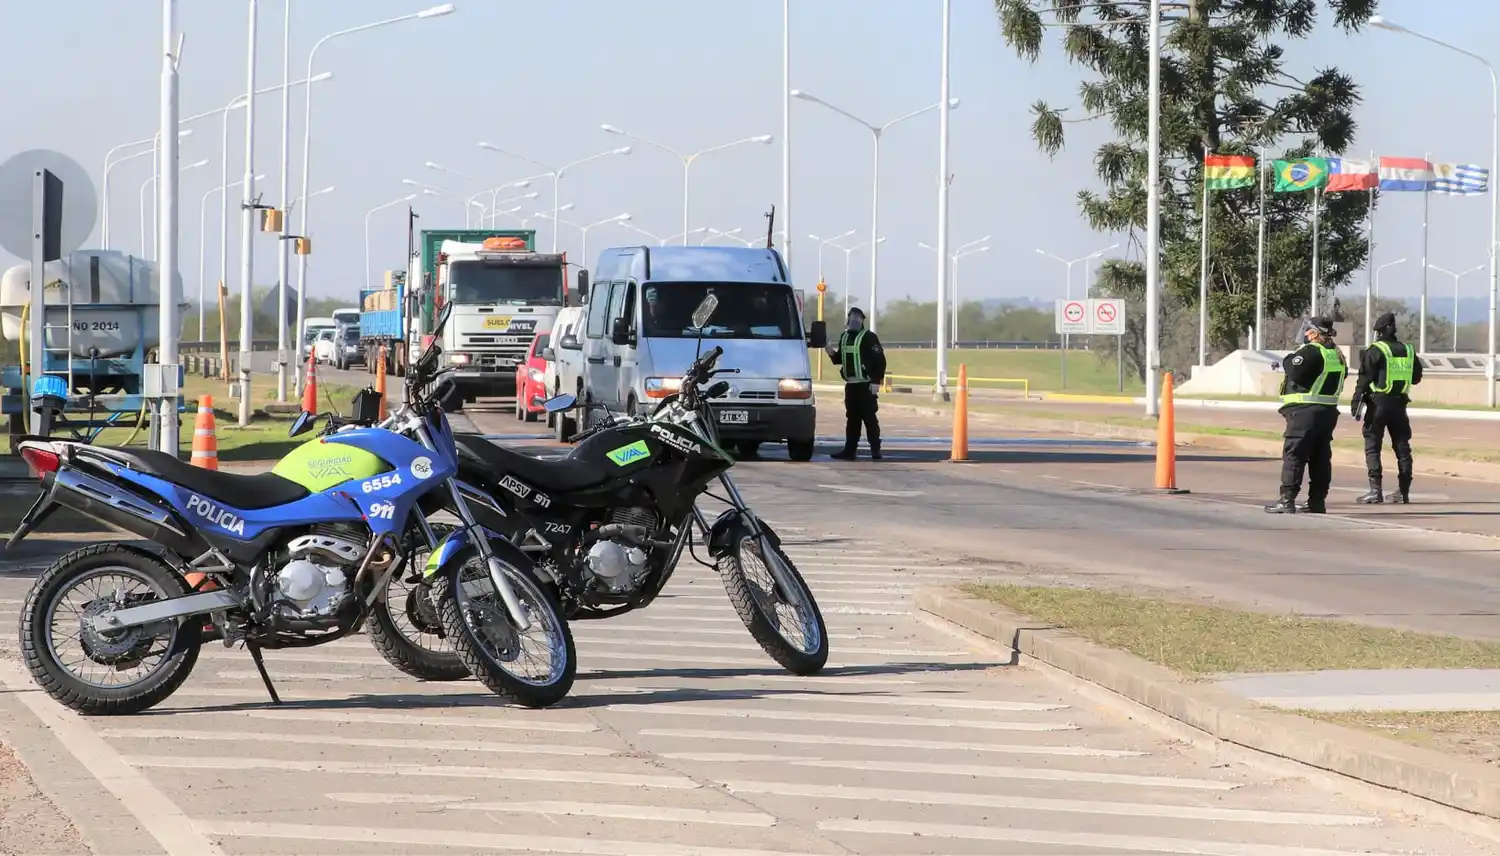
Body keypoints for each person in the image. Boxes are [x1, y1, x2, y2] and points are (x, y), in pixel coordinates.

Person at [1266, 315, 1346, 514]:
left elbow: (1294, 370)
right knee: (1320, 458)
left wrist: (1290, 357)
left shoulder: (1311, 351)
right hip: (1326, 413)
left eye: (1308, 330)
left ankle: (1287, 500)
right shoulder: (1335, 353)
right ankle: (1317, 501)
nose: (1305, 333)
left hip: (1304, 413)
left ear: (1314, 333)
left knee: (1294, 455)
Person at [1350, 311, 1421, 504]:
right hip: (1400, 405)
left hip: (1378, 405)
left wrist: (1357, 400)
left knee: (1372, 446)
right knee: (1402, 447)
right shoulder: (1408, 350)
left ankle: (1375, 491)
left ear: (1379, 331)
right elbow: (1416, 378)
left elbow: (1364, 378)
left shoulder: (1375, 350)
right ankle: (1403, 492)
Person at [826, 306, 885, 460]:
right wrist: (830, 351)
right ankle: (849, 450)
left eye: (857, 318)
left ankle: (875, 449)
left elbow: (880, 360)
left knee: (869, 418)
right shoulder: (844, 337)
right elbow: (840, 359)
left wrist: (876, 381)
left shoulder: (869, 337)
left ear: (862, 320)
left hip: (866, 385)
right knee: (852, 419)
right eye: (851, 317)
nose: (853, 321)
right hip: (851, 386)